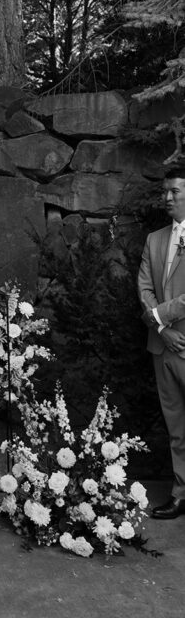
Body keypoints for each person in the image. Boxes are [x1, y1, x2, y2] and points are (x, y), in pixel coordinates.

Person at [138, 164, 185, 519]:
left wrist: (160, 318)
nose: (167, 197)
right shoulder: (155, 239)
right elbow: (144, 288)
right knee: (176, 427)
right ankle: (180, 493)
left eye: (175, 192)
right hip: (163, 347)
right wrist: (162, 330)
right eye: (165, 191)